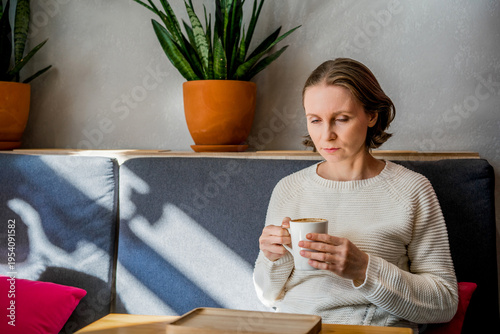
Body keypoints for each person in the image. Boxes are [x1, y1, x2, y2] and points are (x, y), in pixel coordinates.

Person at [253, 58, 458, 331]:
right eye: (315, 120)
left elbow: (444, 302)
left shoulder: (412, 190)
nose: (326, 136)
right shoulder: (288, 188)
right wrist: (271, 258)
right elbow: (267, 297)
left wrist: (363, 269)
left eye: (341, 119)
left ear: (371, 115)